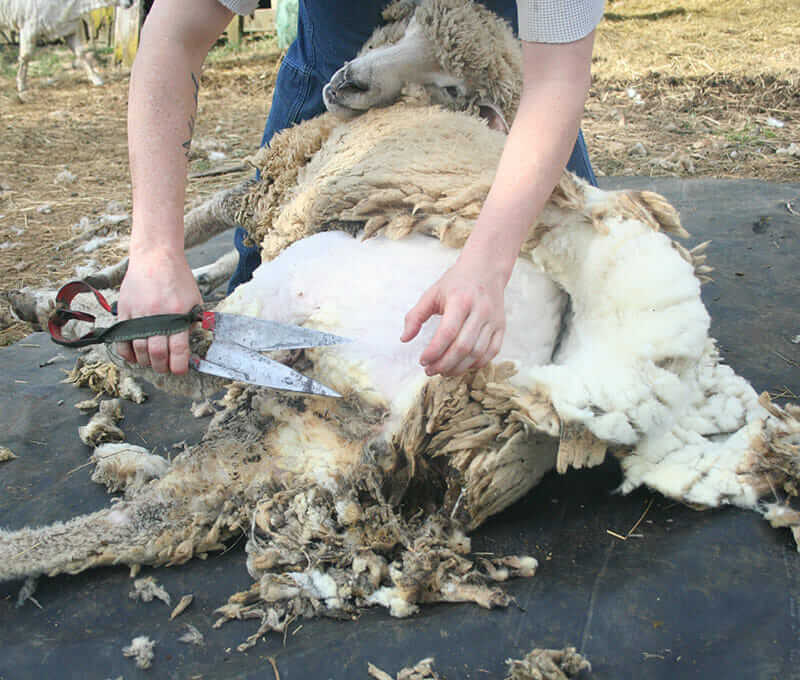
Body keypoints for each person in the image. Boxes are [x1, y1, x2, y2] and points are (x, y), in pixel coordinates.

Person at [116, 0, 604, 379]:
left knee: (600, 324)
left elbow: (556, 78)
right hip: (338, 104)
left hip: (505, 112)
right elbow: (174, 36)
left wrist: (485, 266)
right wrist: (155, 252)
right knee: (255, 339)